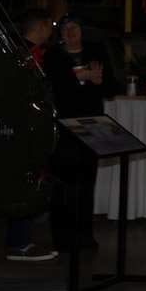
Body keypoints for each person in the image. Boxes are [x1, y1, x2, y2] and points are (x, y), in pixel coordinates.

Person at [43, 15, 120, 252]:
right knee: (64, 184)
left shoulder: (96, 52)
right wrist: (77, 77)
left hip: (92, 126)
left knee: (87, 183)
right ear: (59, 34)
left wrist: (99, 81)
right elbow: (50, 89)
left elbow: (112, 90)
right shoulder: (52, 56)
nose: (70, 31)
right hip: (63, 127)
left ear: (81, 30)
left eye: (74, 27)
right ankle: (62, 239)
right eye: (65, 28)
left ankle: (85, 237)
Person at [5, 8, 58, 261]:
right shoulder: (20, 55)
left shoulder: (16, 51)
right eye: (50, 27)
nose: (50, 32)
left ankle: (20, 240)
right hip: (21, 130)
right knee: (23, 183)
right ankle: (19, 243)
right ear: (41, 27)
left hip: (26, 128)